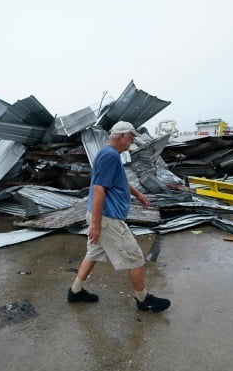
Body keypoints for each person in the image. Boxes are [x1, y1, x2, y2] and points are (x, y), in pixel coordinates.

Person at [67, 121, 171, 313]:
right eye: (131, 137)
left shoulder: (109, 154)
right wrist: (97, 225)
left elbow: (120, 179)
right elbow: (99, 189)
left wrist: (138, 194)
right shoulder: (110, 157)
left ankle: (75, 291)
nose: (132, 142)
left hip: (100, 216)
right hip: (107, 219)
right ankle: (143, 300)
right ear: (122, 136)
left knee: (93, 253)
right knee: (136, 258)